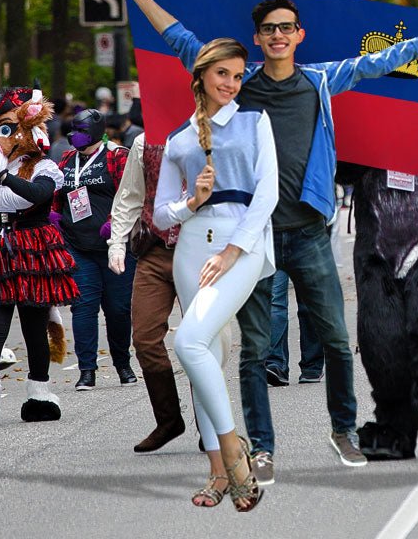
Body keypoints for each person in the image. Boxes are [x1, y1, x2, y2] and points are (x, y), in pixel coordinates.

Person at [122, 0, 418, 481]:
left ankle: (344, 432)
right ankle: (261, 447)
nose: (278, 35)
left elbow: (379, 61)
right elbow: (180, 39)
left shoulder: (321, 81)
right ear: (257, 39)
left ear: (299, 34)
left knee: (334, 338)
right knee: (256, 351)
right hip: (252, 238)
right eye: (269, 29)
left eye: (287, 27)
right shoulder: (238, 85)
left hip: (308, 233)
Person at [154, 37, 275, 510]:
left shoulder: (254, 120)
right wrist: (192, 202)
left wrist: (232, 250)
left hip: (239, 245)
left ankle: (234, 455)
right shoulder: (180, 139)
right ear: (202, 74)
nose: (231, 83)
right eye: (223, 73)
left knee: (188, 341)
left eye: (238, 75)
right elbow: (161, 215)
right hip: (190, 248)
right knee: (205, 355)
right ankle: (217, 474)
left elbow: (267, 193)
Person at [0, 87, 76, 424]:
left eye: (11, 127)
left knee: (34, 326)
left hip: (32, 248)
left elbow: (37, 196)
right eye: (1, 127)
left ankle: (39, 394)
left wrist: (3, 176)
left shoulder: (43, 166)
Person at [107, 134, 187, 452]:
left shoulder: (216, 132)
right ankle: (168, 419)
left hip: (199, 251)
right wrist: (116, 242)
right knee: (144, 338)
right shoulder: (144, 142)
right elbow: (129, 197)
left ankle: (211, 423)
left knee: (201, 340)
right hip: (154, 251)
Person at [55, 109, 136, 390]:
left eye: (80, 129)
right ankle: (87, 370)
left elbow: (132, 195)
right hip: (78, 246)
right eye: (73, 129)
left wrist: (115, 223)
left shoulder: (118, 156)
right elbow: (58, 193)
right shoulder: (67, 159)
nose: (73, 134)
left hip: (116, 246)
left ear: (95, 130)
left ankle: (123, 365)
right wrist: (55, 216)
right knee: (83, 308)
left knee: (118, 310)